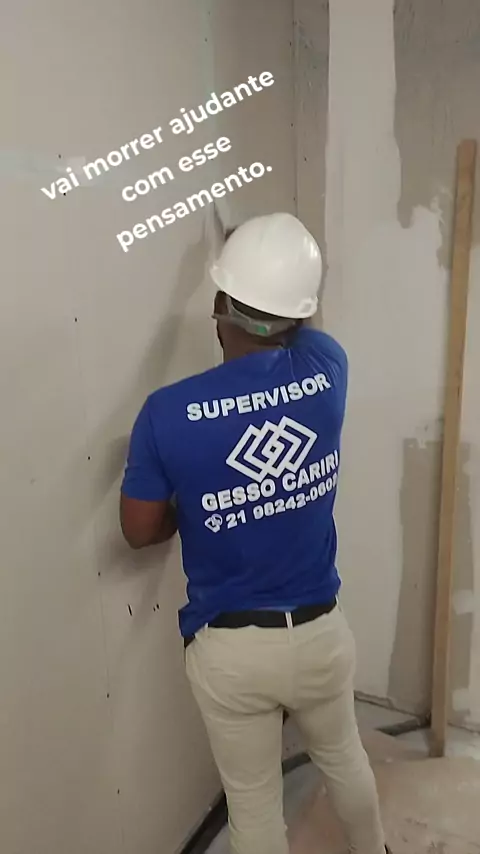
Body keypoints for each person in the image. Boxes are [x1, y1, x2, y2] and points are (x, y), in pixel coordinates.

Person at [120, 212, 390, 854]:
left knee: (254, 807)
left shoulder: (167, 413)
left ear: (219, 308)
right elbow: (298, 325)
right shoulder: (328, 368)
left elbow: (139, 529)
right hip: (321, 634)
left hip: (232, 650)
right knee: (344, 758)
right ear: (299, 314)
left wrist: (202, 503)